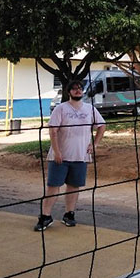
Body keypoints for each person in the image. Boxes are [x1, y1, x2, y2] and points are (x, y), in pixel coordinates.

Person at [35, 80, 106, 231]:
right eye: (74, 89)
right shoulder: (61, 109)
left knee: (74, 186)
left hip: (80, 156)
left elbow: (102, 125)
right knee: (53, 187)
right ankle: (45, 216)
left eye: (80, 88)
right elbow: (53, 131)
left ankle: (69, 214)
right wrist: (57, 151)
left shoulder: (90, 109)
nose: (77, 91)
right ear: (69, 92)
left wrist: (95, 144)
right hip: (60, 157)